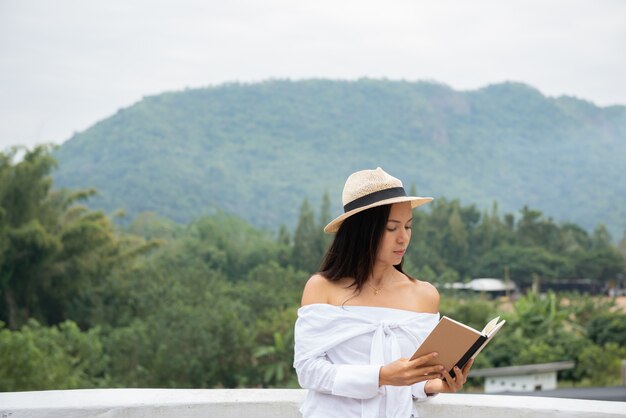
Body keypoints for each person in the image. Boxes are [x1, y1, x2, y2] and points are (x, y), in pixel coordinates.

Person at [293, 167, 473, 418]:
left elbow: (414, 379)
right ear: (361, 231)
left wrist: (437, 384)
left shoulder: (424, 295)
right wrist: (380, 376)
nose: (403, 238)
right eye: (391, 228)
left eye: (408, 227)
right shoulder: (322, 288)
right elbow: (308, 371)